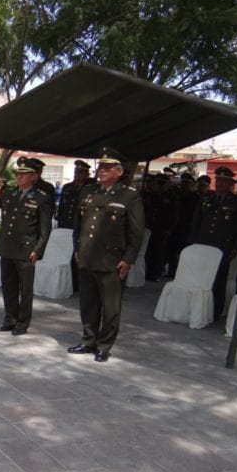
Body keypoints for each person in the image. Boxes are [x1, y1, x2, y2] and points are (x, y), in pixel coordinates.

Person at [68, 147, 145, 362]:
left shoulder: (129, 196)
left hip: (111, 260)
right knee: (88, 302)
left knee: (110, 307)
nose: (102, 171)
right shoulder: (88, 192)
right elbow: (78, 225)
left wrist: (128, 259)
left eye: (108, 168)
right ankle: (88, 340)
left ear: (119, 172)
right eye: (101, 167)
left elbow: (136, 233)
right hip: (87, 256)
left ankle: (104, 345)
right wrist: (77, 248)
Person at [0, 157, 52, 335]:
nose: (19, 176)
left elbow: (45, 229)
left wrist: (38, 250)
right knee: (8, 286)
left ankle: (22, 323)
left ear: (33, 177)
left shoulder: (41, 198)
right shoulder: (10, 194)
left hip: (26, 250)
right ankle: (9, 318)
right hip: (8, 247)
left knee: (25, 289)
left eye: (24, 174)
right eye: (18, 173)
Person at [188, 166, 237, 320]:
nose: (220, 184)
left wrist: (236, 246)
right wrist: (193, 241)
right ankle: (197, 308)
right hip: (204, 243)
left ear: (230, 184)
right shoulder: (207, 198)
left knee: (219, 278)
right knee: (200, 276)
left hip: (223, 246)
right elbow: (197, 221)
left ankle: (214, 310)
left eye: (224, 182)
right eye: (218, 181)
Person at [57, 160, 94, 292]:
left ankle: (77, 284)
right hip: (65, 225)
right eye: (76, 172)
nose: (77, 175)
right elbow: (61, 207)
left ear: (87, 174)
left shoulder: (91, 187)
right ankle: (66, 281)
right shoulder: (68, 187)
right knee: (64, 254)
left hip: (80, 227)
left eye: (81, 173)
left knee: (77, 256)